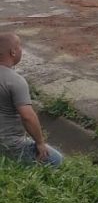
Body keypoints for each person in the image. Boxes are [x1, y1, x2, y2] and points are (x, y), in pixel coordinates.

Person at [0, 33, 63, 167]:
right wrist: (40, 142)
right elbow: (27, 116)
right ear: (13, 52)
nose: (21, 49)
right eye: (19, 46)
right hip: (8, 145)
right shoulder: (15, 81)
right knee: (57, 160)